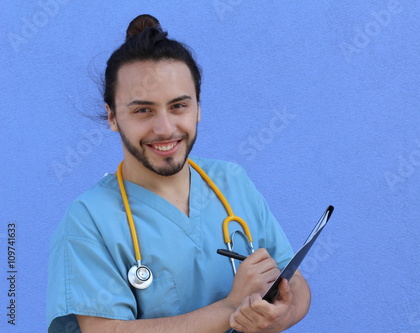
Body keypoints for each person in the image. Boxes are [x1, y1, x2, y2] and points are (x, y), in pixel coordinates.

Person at [47, 14, 311, 333]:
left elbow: (292, 281)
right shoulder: (89, 220)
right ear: (113, 116)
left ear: (198, 107)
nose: (165, 129)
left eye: (178, 106)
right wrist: (230, 308)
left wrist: (281, 314)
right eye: (143, 110)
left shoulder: (232, 181)